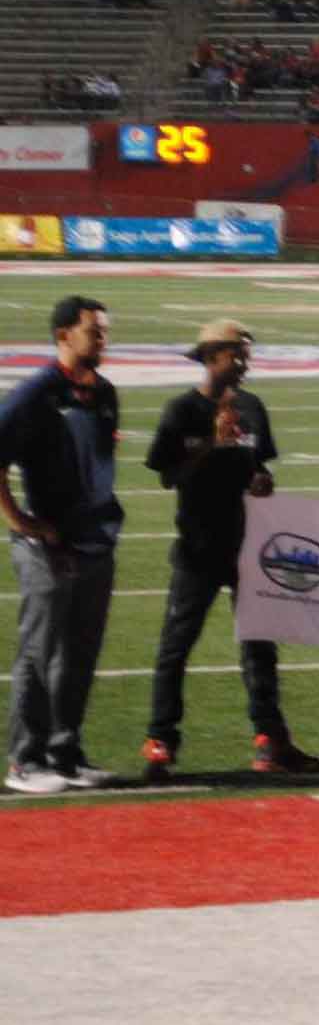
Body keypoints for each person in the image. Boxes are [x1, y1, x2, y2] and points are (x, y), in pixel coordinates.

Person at [140, 321, 319, 781]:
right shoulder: (181, 410)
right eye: (236, 355)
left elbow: (256, 467)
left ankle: (270, 742)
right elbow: (168, 477)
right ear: (210, 357)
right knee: (175, 648)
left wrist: (260, 481)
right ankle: (161, 740)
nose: (244, 364)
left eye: (247, 355)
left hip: (249, 547)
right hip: (199, 548)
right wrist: (212, 445)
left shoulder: (252, 407)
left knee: (260, 648)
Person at [1, 295, 122, 794]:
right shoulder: (34, 394)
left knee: (80, 653)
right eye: (94, 330)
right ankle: (24, 761)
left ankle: (66, 753)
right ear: (63, 336)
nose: (103, 339)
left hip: (96, 541)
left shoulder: (106, 393)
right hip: (47, 548)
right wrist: (22, 521)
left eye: (105, 331)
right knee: (40, 651)